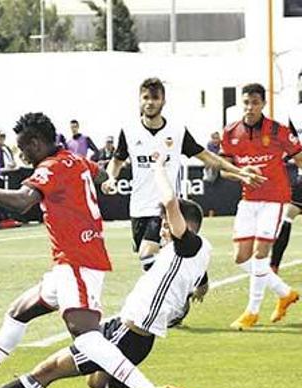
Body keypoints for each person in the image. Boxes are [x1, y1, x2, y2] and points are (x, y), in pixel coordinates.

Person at [0, 112, 178, 388]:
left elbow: (23, 202)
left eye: (24, 148)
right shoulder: (73, 159)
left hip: (77, 260)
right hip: (71, 260)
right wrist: (106, 184)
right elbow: (101, 175)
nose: (22, 154)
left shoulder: (51, 168)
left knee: (85, 334)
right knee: (19, 311)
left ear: (36, 143)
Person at [102, 77, 263, 272]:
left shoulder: (176, 131)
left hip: (166, 207)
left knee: (148, 254)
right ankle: (190, 284)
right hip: (138, 207)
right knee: (156, 262)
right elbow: (117, 161)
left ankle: (175, 291)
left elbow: (206, 157)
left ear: (163, 101)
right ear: (139, 100)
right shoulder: (129, 131)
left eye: (155, 98)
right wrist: (111, 177)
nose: (150, 102)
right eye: (145, 98)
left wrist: (239, 172)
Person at [221, 83, 302, 330]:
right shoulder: (230, 132)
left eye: (255, 103)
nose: (250, 107)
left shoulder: (278, 130)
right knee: (241, 257)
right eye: (246, 102)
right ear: (241, 104)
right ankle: (285, 292)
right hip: (248, 199)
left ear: (263, 104)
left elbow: (299, 157)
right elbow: (225, 170)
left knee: (260, 253)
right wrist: (241, 174)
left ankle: (252, 312)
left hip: (275, 198)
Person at [270, 106, 302, 273]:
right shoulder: (295, 113)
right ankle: (273, 265)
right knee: (286, 217)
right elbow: (291, 143)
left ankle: (273, 265)